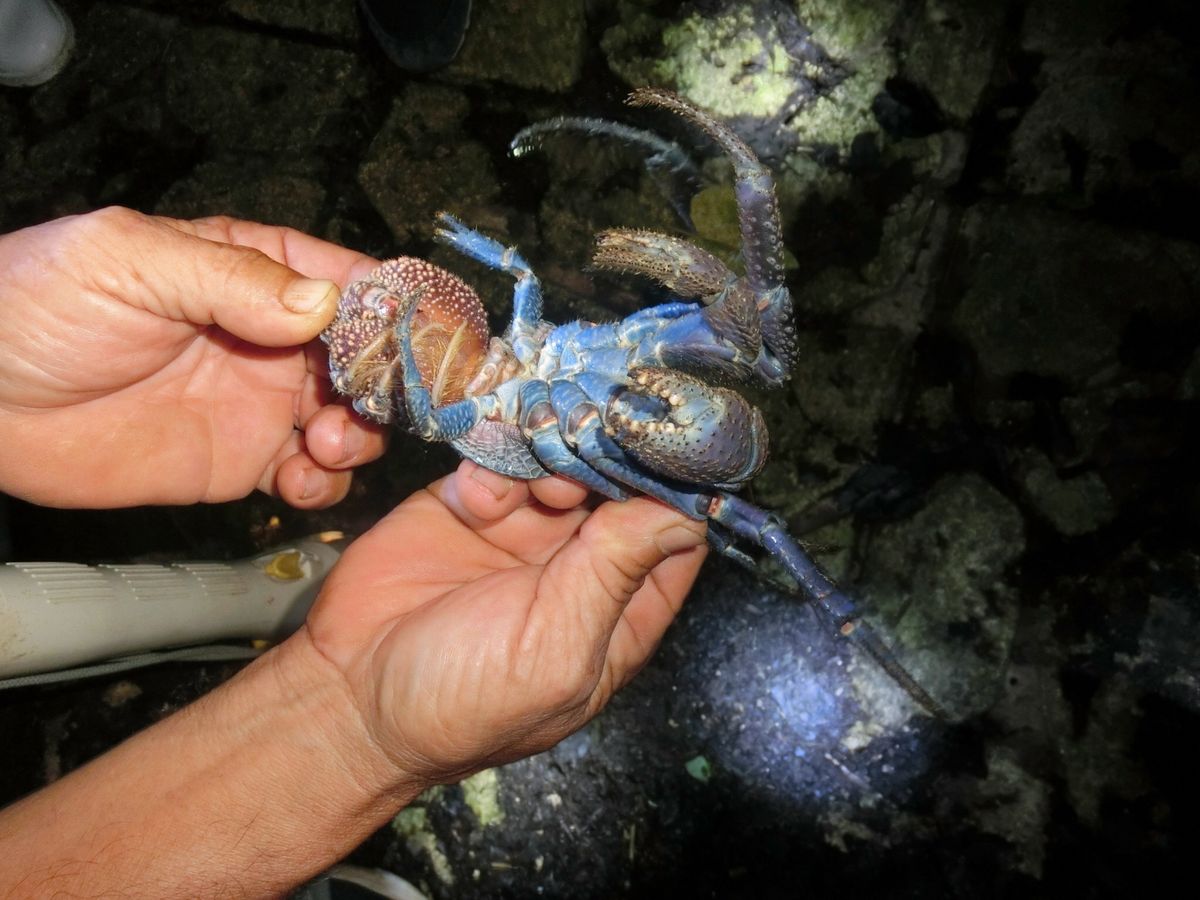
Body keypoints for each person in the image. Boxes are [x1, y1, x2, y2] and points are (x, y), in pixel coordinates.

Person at [0, 207, 707, 897]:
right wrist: (357, 727)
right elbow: (436, 405)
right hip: (484, 399)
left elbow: (459, 372)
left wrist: (359, 721)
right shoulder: (460, 379)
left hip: (500, 398)